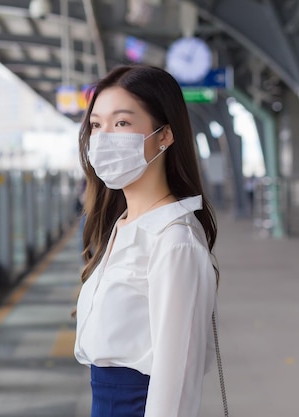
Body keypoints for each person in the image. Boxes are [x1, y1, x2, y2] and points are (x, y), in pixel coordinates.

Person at [74, 64, 219, 417]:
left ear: (165, 135)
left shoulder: (175, 241)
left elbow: (176, 382)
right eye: (96, 125)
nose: (104, 137)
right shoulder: (122, 226)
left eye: (121, 123)